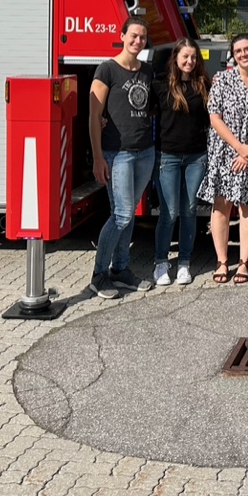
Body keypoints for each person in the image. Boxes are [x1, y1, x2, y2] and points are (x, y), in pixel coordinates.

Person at [89, 17, 157, 299]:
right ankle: (99, 275)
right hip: (117, 154)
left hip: (145, 152)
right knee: (121, 214)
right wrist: (97, 157)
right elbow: (94, 115)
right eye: (133, 35)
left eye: (142, 37)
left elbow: (150, 110)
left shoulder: (147, 71)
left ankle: (121, 269)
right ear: (122, 35)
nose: (137, 41)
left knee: (127, 216)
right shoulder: (107, 69)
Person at [198, 33, 248, 285]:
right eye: (238, 50)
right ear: (233, 54)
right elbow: (214, 117)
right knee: (221, 206)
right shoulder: (222, 81)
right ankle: (222, 260)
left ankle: (243, 262)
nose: (244, 54)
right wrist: (238, 147)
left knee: (247, 206)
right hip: (224, 151)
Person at [152, 38, 211, 287]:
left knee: (189, 212)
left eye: (194, 57)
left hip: (197, 157)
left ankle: (184, 263)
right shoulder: (160, 86)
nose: (190, 61)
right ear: (175, 57)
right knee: (169, 213)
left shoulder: (203, 84)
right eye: (185, 57)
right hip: (168, 156)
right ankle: (161, 263)